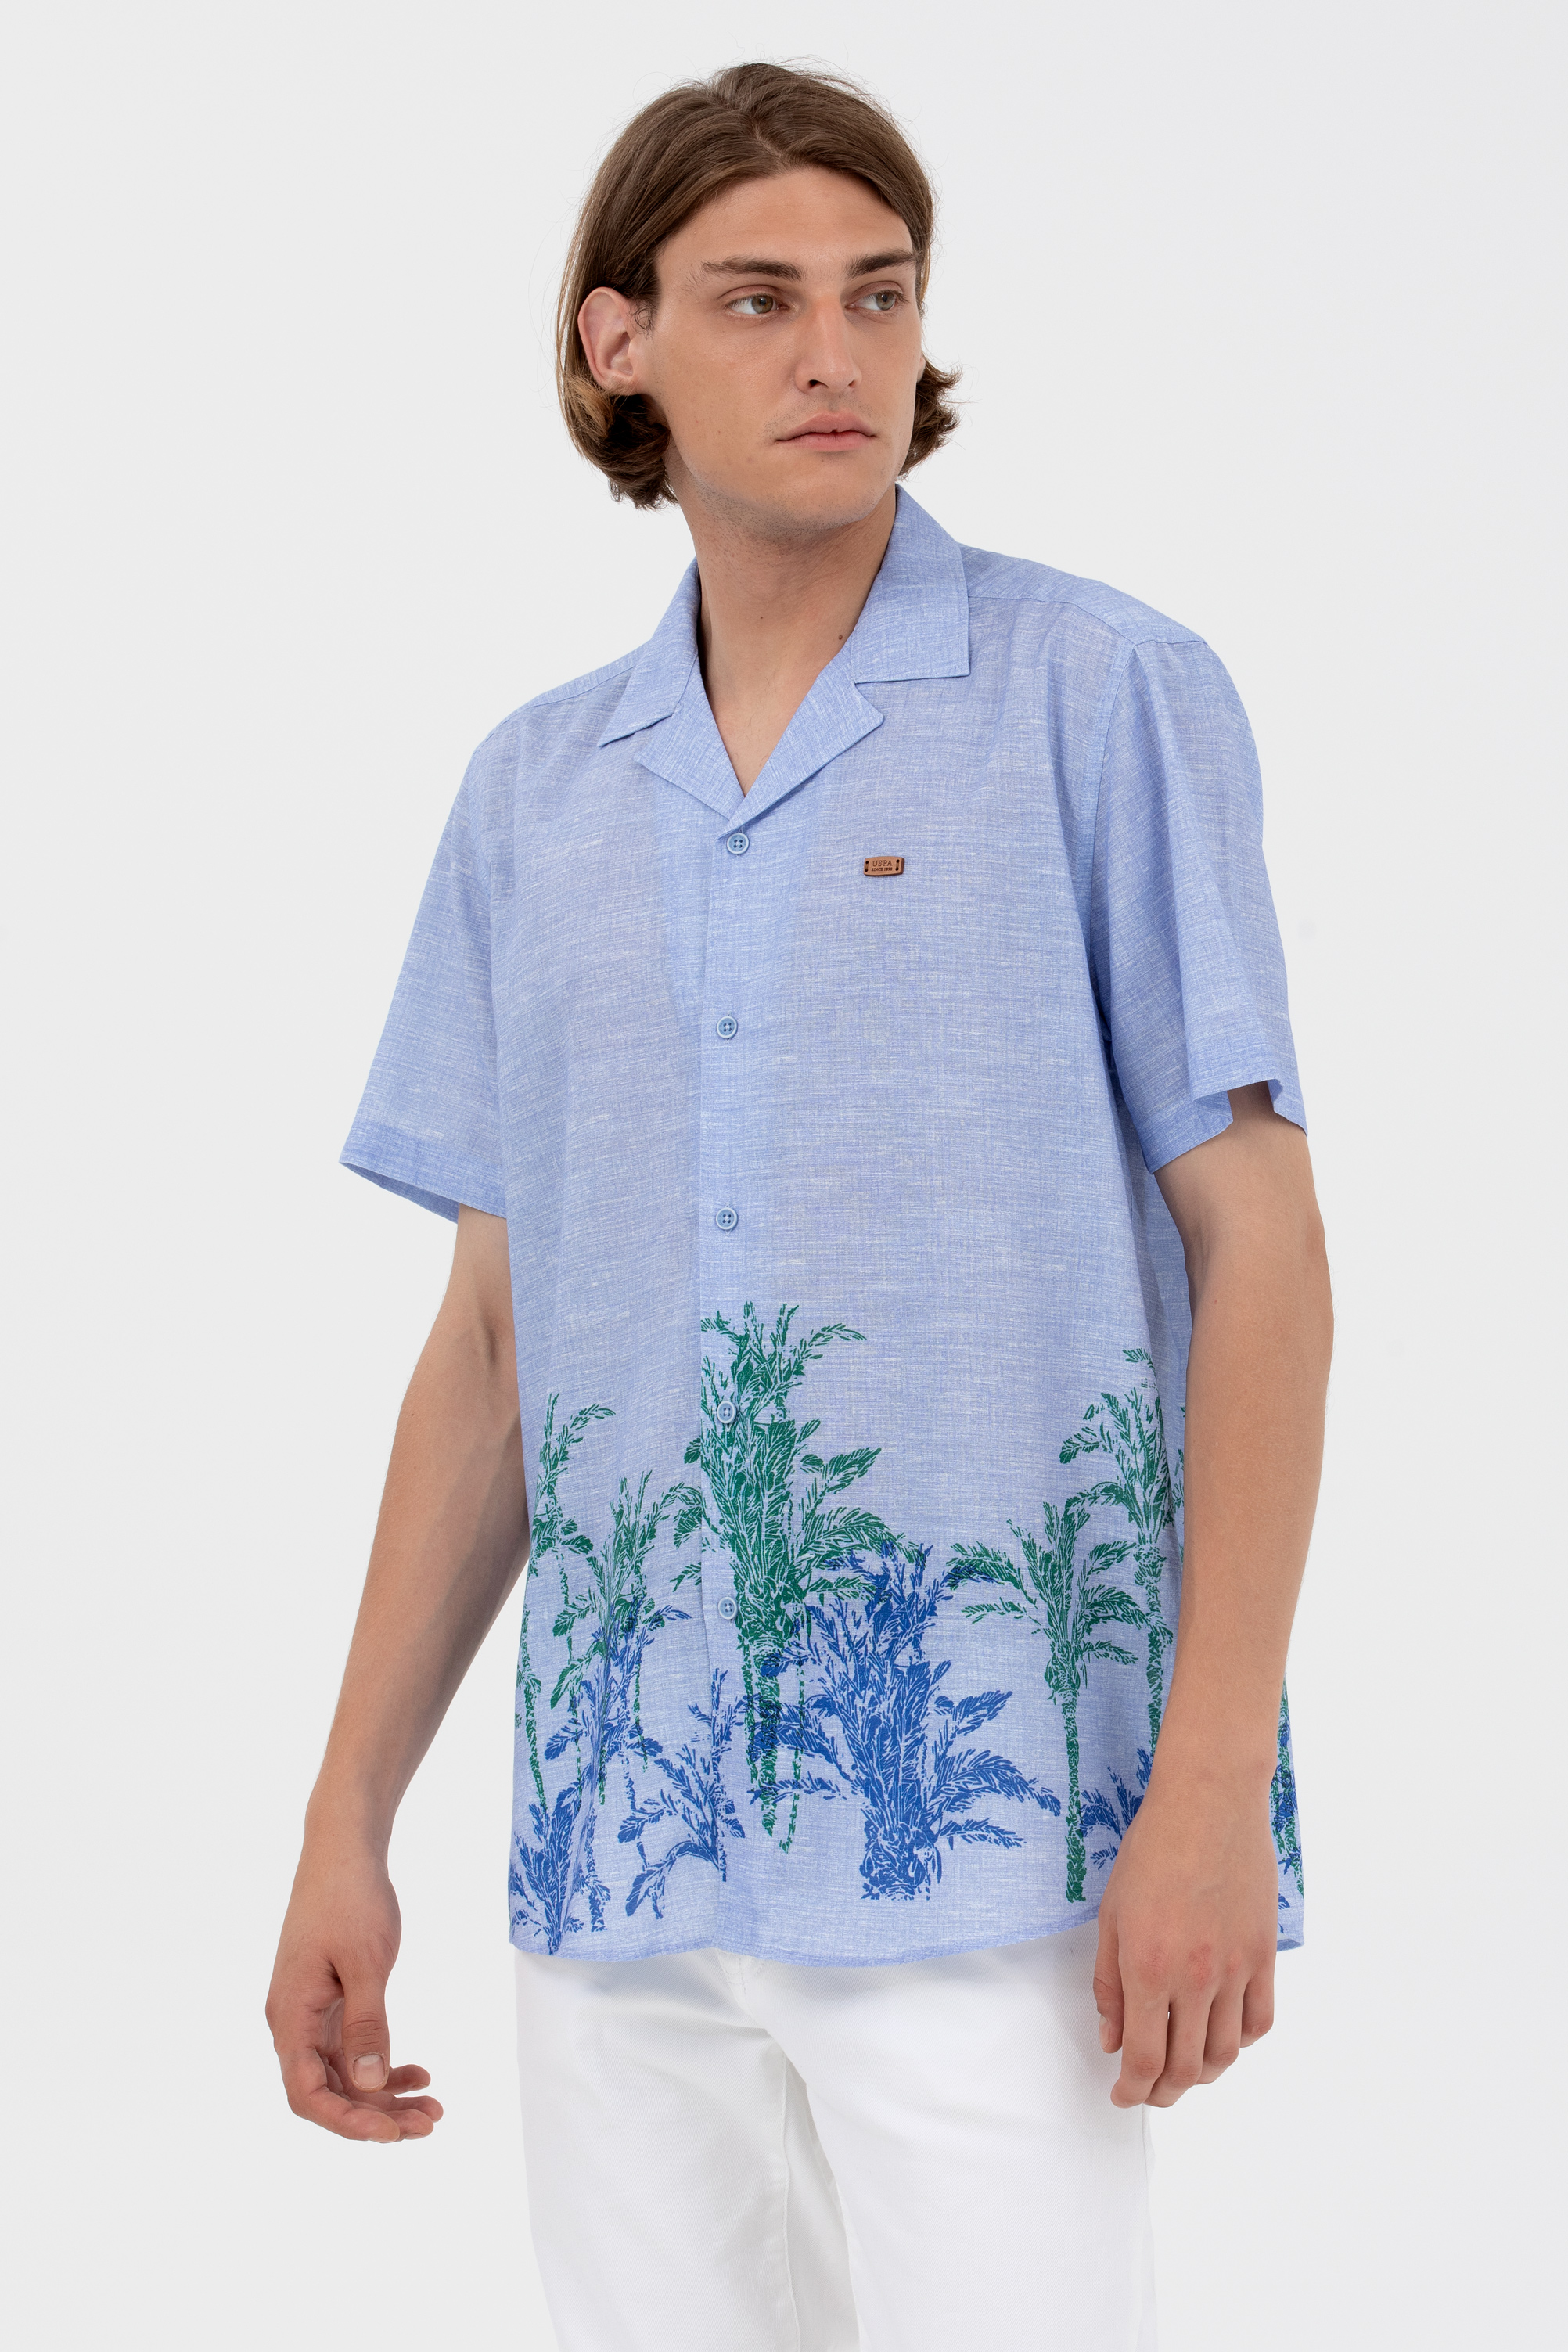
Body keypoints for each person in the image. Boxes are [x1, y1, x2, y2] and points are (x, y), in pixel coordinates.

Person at [267, 60, 1332, 2352]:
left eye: (877, 293)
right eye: (756, 298)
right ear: (618, 340)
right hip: (623, 1847)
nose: (835, 352)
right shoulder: (532, 793)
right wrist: (348, 1815)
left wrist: (1209, 1793)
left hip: (989, 1837)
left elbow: (1261, 1251)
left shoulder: (1101, 696)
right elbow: (495, 1346)